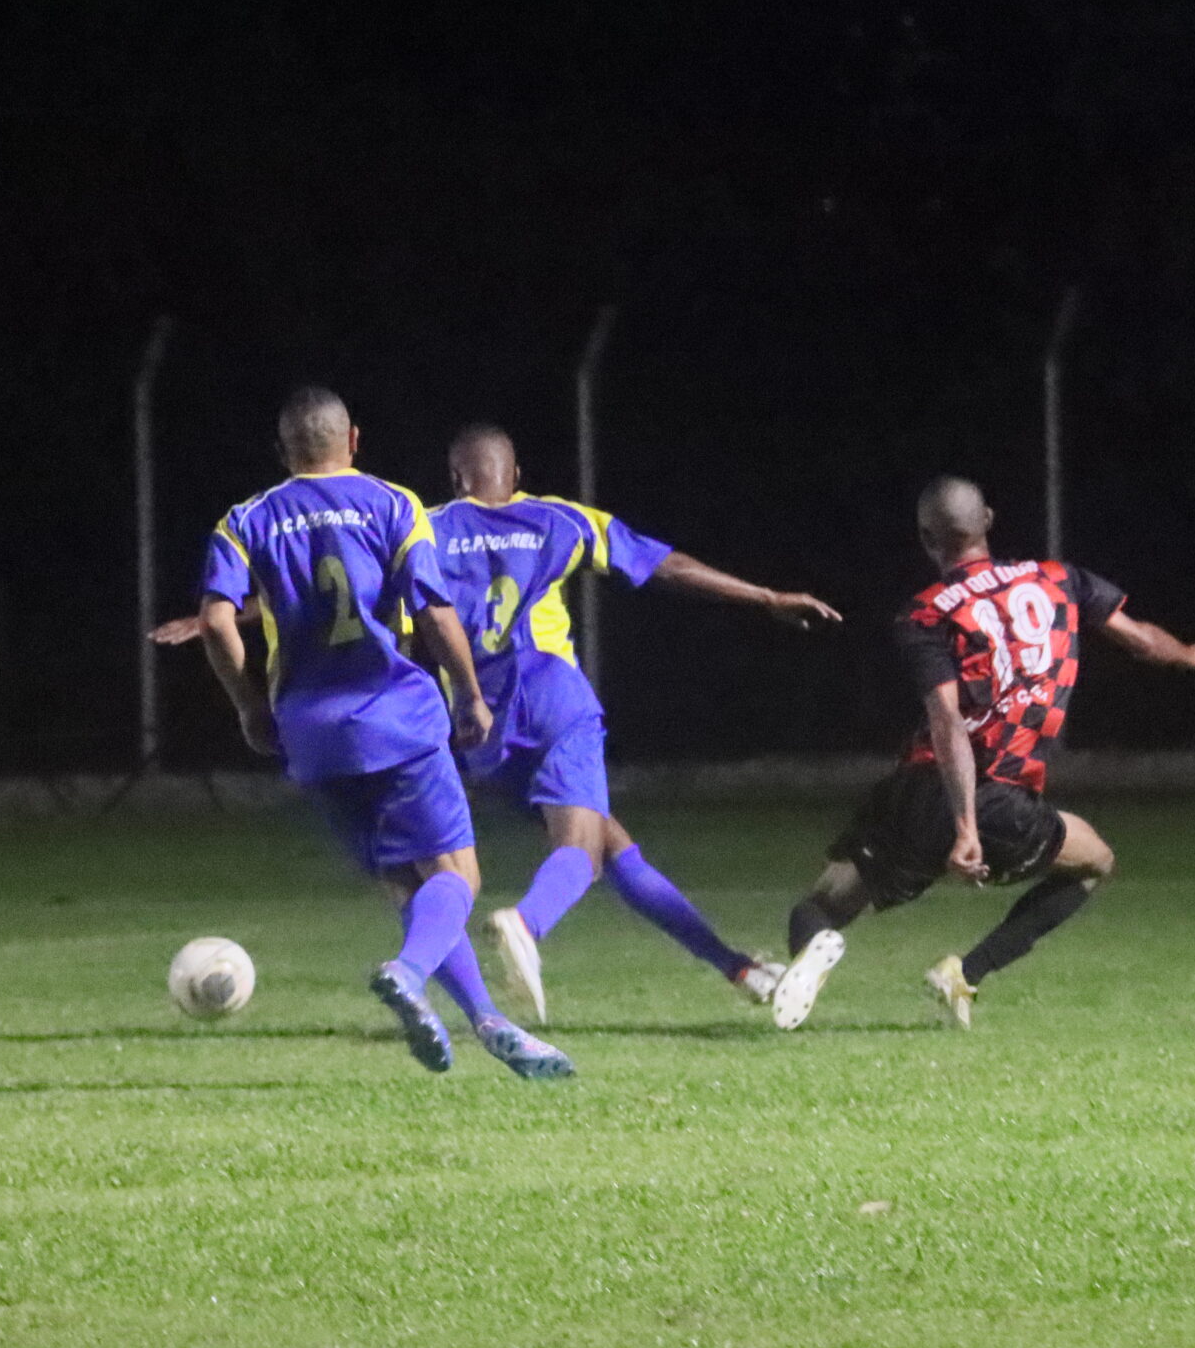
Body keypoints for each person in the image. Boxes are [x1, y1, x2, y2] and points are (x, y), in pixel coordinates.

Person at [195, 386, 571, 1080]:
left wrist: (250, 706)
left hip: (308, 731)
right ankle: (407, 970)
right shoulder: (395, 504)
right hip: (393, 715)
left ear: (284, 451)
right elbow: (432, 611)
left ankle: (488, 1022)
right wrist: (468, 693)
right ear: (354, 439)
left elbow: (218, 620)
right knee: (458, 875)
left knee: (407, 882)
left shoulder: (246, 517)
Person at [765, 475, 1195, 1032]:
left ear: (927, 539)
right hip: (992, 803)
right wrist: (1188, 657)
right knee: (1095, 862)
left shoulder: (926, 613)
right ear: (987, 519)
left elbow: (944, 718)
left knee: (821, 903)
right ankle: (966, 972)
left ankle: (814, 951)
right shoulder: (1061, 580)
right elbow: (1140, 638)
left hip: (912, 795)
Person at [429, 425, 842, 1021]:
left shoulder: (426, 530)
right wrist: (766, 597)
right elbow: (664, 565)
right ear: (516, 476)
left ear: (455, 479)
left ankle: (740, 969)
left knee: (614, 846)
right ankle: (526, 922)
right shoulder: (559, 520)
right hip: (550, 697)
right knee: (583, 855)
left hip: (479, 720)